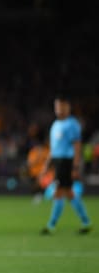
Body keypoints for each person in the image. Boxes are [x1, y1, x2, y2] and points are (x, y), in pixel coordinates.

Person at [40, 95, 92, 234]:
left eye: (62, 106)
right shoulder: (55, 125)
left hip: (67, 162)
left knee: (59, 192)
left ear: (68, 107)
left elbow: (77, 146)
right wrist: (47, 165)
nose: (59, 109)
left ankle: (51, 225)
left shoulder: (72, 124)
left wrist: (75, 166)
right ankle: (86, 221)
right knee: (68, 193)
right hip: (58, 161)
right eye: (57, 106)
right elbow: (53, 148)